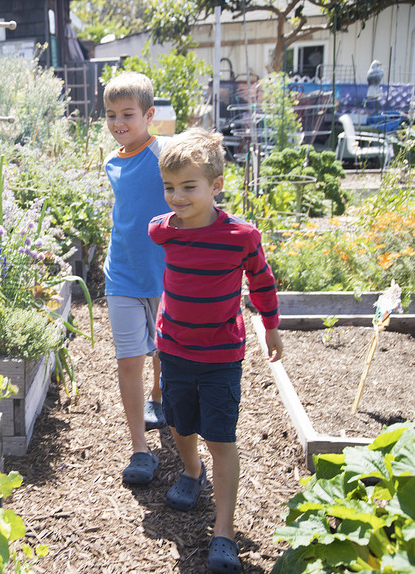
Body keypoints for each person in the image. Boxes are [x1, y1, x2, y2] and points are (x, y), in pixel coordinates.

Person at [148, 128, 283, 574]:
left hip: (222, 356)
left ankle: (223, 532)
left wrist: (271, 326)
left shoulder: (240, 236)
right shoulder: (163, 232)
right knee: (179, 424)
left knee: (220, 438)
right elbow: (155, 229)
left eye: (189, 186)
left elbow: (261, 282)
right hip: (175, 350)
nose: (178, 197)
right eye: (170, 187)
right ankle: (191, 472)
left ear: (216, 185)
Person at [101, 71, 171, 487]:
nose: (118, 123)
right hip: (122, 274)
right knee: (128, 361)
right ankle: (140, 449)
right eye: (111, 115)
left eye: (128, 114)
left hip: (165, 274)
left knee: (165, 349)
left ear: (149, 114)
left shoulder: (164, 154)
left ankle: (159, 398)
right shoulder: (111, 161)